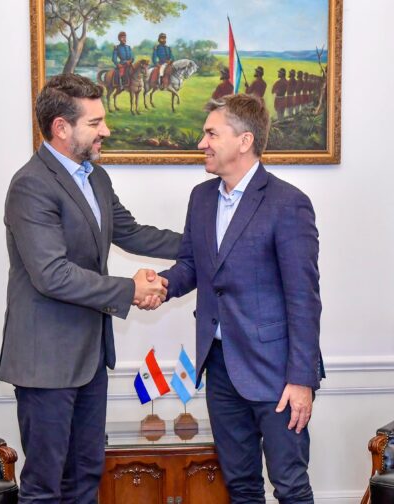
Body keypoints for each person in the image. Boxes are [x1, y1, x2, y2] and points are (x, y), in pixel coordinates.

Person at [0, 73, 181, 504]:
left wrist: (208, 243)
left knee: (85, 477)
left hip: (90, 357)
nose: (106, 131)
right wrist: (129, 289)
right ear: (61, 127)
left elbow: (132, 232)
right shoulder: (31, 184)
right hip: (46, 362)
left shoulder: (95, 177)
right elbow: (52, 273)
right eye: (95, 123)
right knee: (46, 487)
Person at [156, 93, 324, 503]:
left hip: (277, 372)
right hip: (219, 366)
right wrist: (157, 286)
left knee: (290, 485)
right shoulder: (201, 198)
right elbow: (192, 266)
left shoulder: (288, 203)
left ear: (244, 140)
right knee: (241, 486)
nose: (202, 143)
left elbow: (303, 299)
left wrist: (301, 380)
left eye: (211, 134)